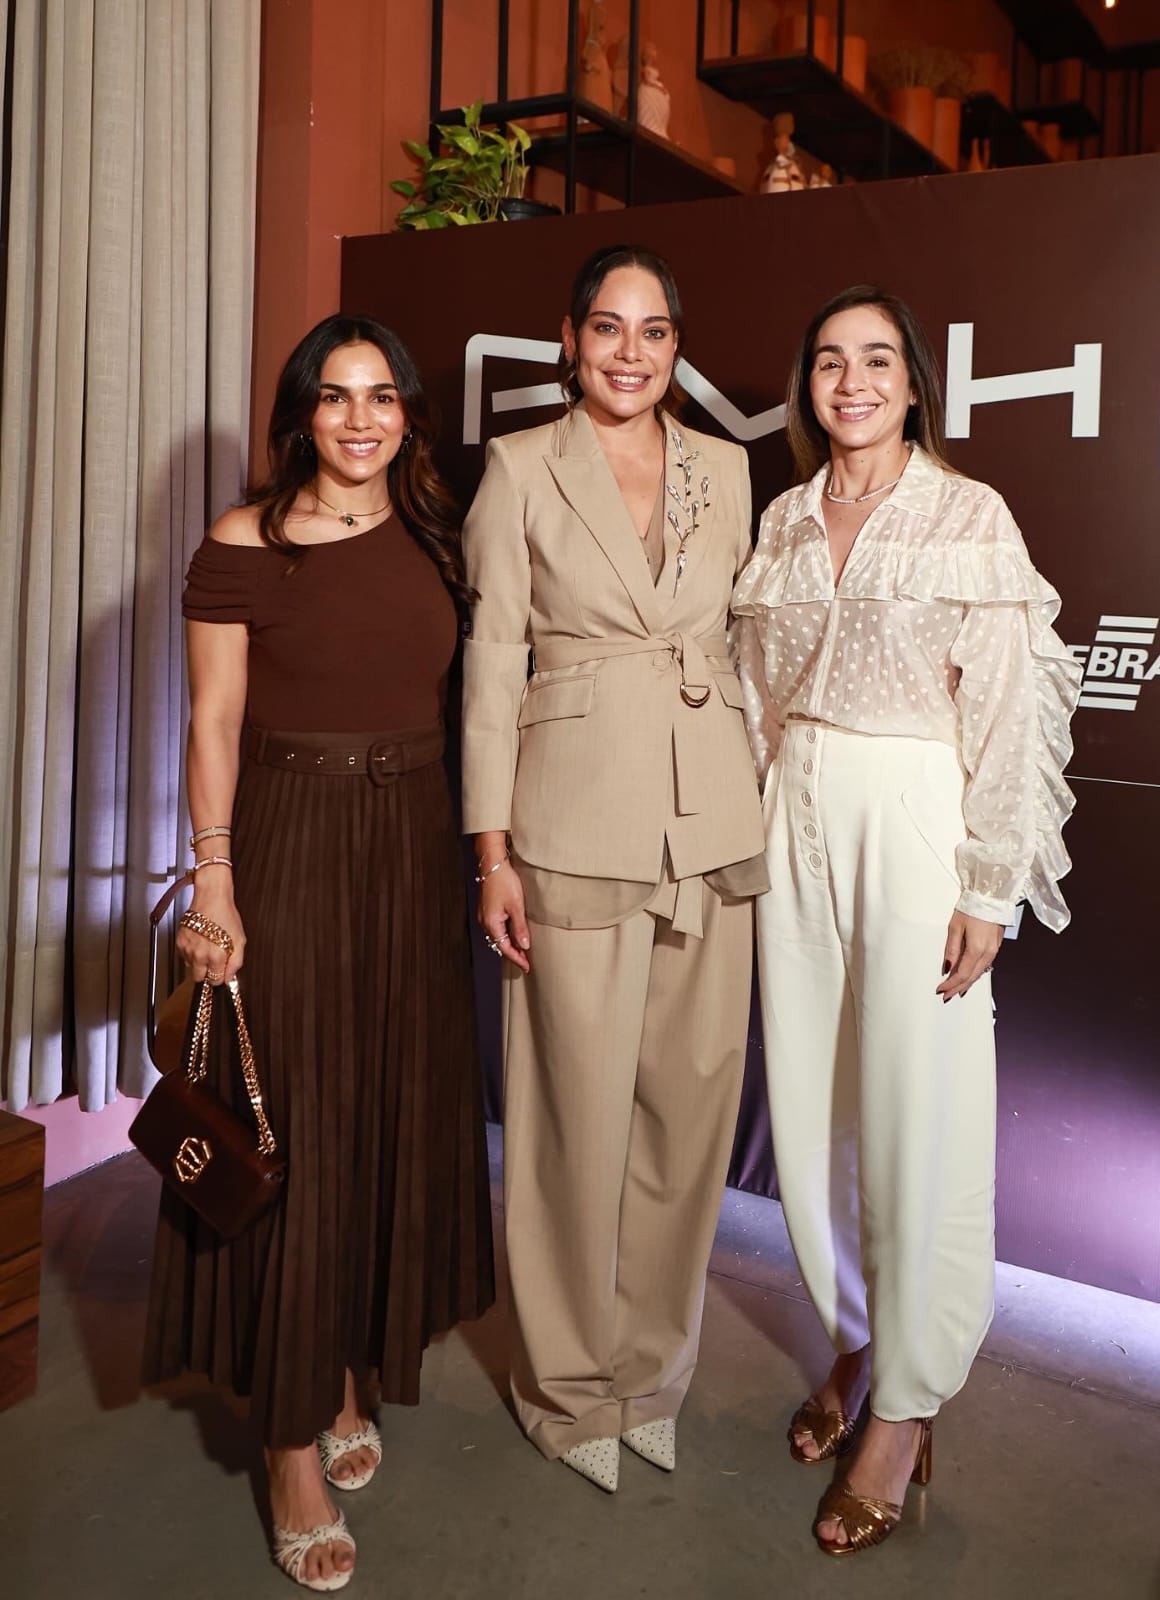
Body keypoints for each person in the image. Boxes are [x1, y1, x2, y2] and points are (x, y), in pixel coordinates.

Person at [142, 314, 494, 1591]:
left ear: (407, 413)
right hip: (288, 838)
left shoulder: (438, 530)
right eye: (336, 396)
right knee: (285, 1119)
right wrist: (214, 877)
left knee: (372, 1114)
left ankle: (343, 1367)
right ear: (300, 412)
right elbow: (212, 719)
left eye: (382, 396)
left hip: (409, 847)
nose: (360, 419)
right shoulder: (244, 541)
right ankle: (289, 1443)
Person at [731, 285, 1080, 1556]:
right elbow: (753, 694)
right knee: (814, 1102)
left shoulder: (966, 512)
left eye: (875, 360)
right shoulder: (782, 517)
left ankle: (907, 1403)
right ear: (806, 385)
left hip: (915, 814)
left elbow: (1007, 709)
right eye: (828, 360)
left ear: (914, 383)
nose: (851, 382)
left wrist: (987, 884)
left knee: (917, 1107)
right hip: (794, 810)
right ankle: (856, 1341)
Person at [461, 244, 766, 1493]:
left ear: (675, 347)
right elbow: (492, 661)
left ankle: (650, 1371)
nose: (627, 353)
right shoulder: (519, 466)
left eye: (651, 332)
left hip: (711, 825)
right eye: (605, 328)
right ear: (569, 339)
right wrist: (490, 849)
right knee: (567, 1121)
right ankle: (566, 1384)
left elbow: (747, 641)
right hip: (570, 820)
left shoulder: (726, 468)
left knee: (687, 1116)